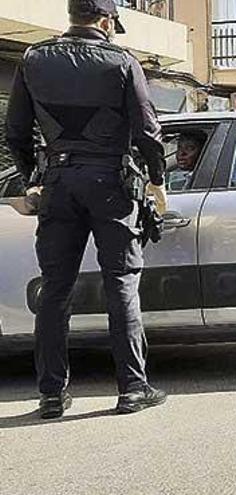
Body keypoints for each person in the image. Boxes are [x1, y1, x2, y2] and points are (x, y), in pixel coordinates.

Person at [5, 0, 168, 419]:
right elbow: (148, 130)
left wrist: (32, 177)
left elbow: (16, 130)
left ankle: (51, 395)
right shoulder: (121, 62)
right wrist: (157, 180)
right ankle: (132, 388)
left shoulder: (34, 58)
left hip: (58, 183)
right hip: (111, 184)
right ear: (106, 20)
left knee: (55, 290)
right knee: (122, 283)